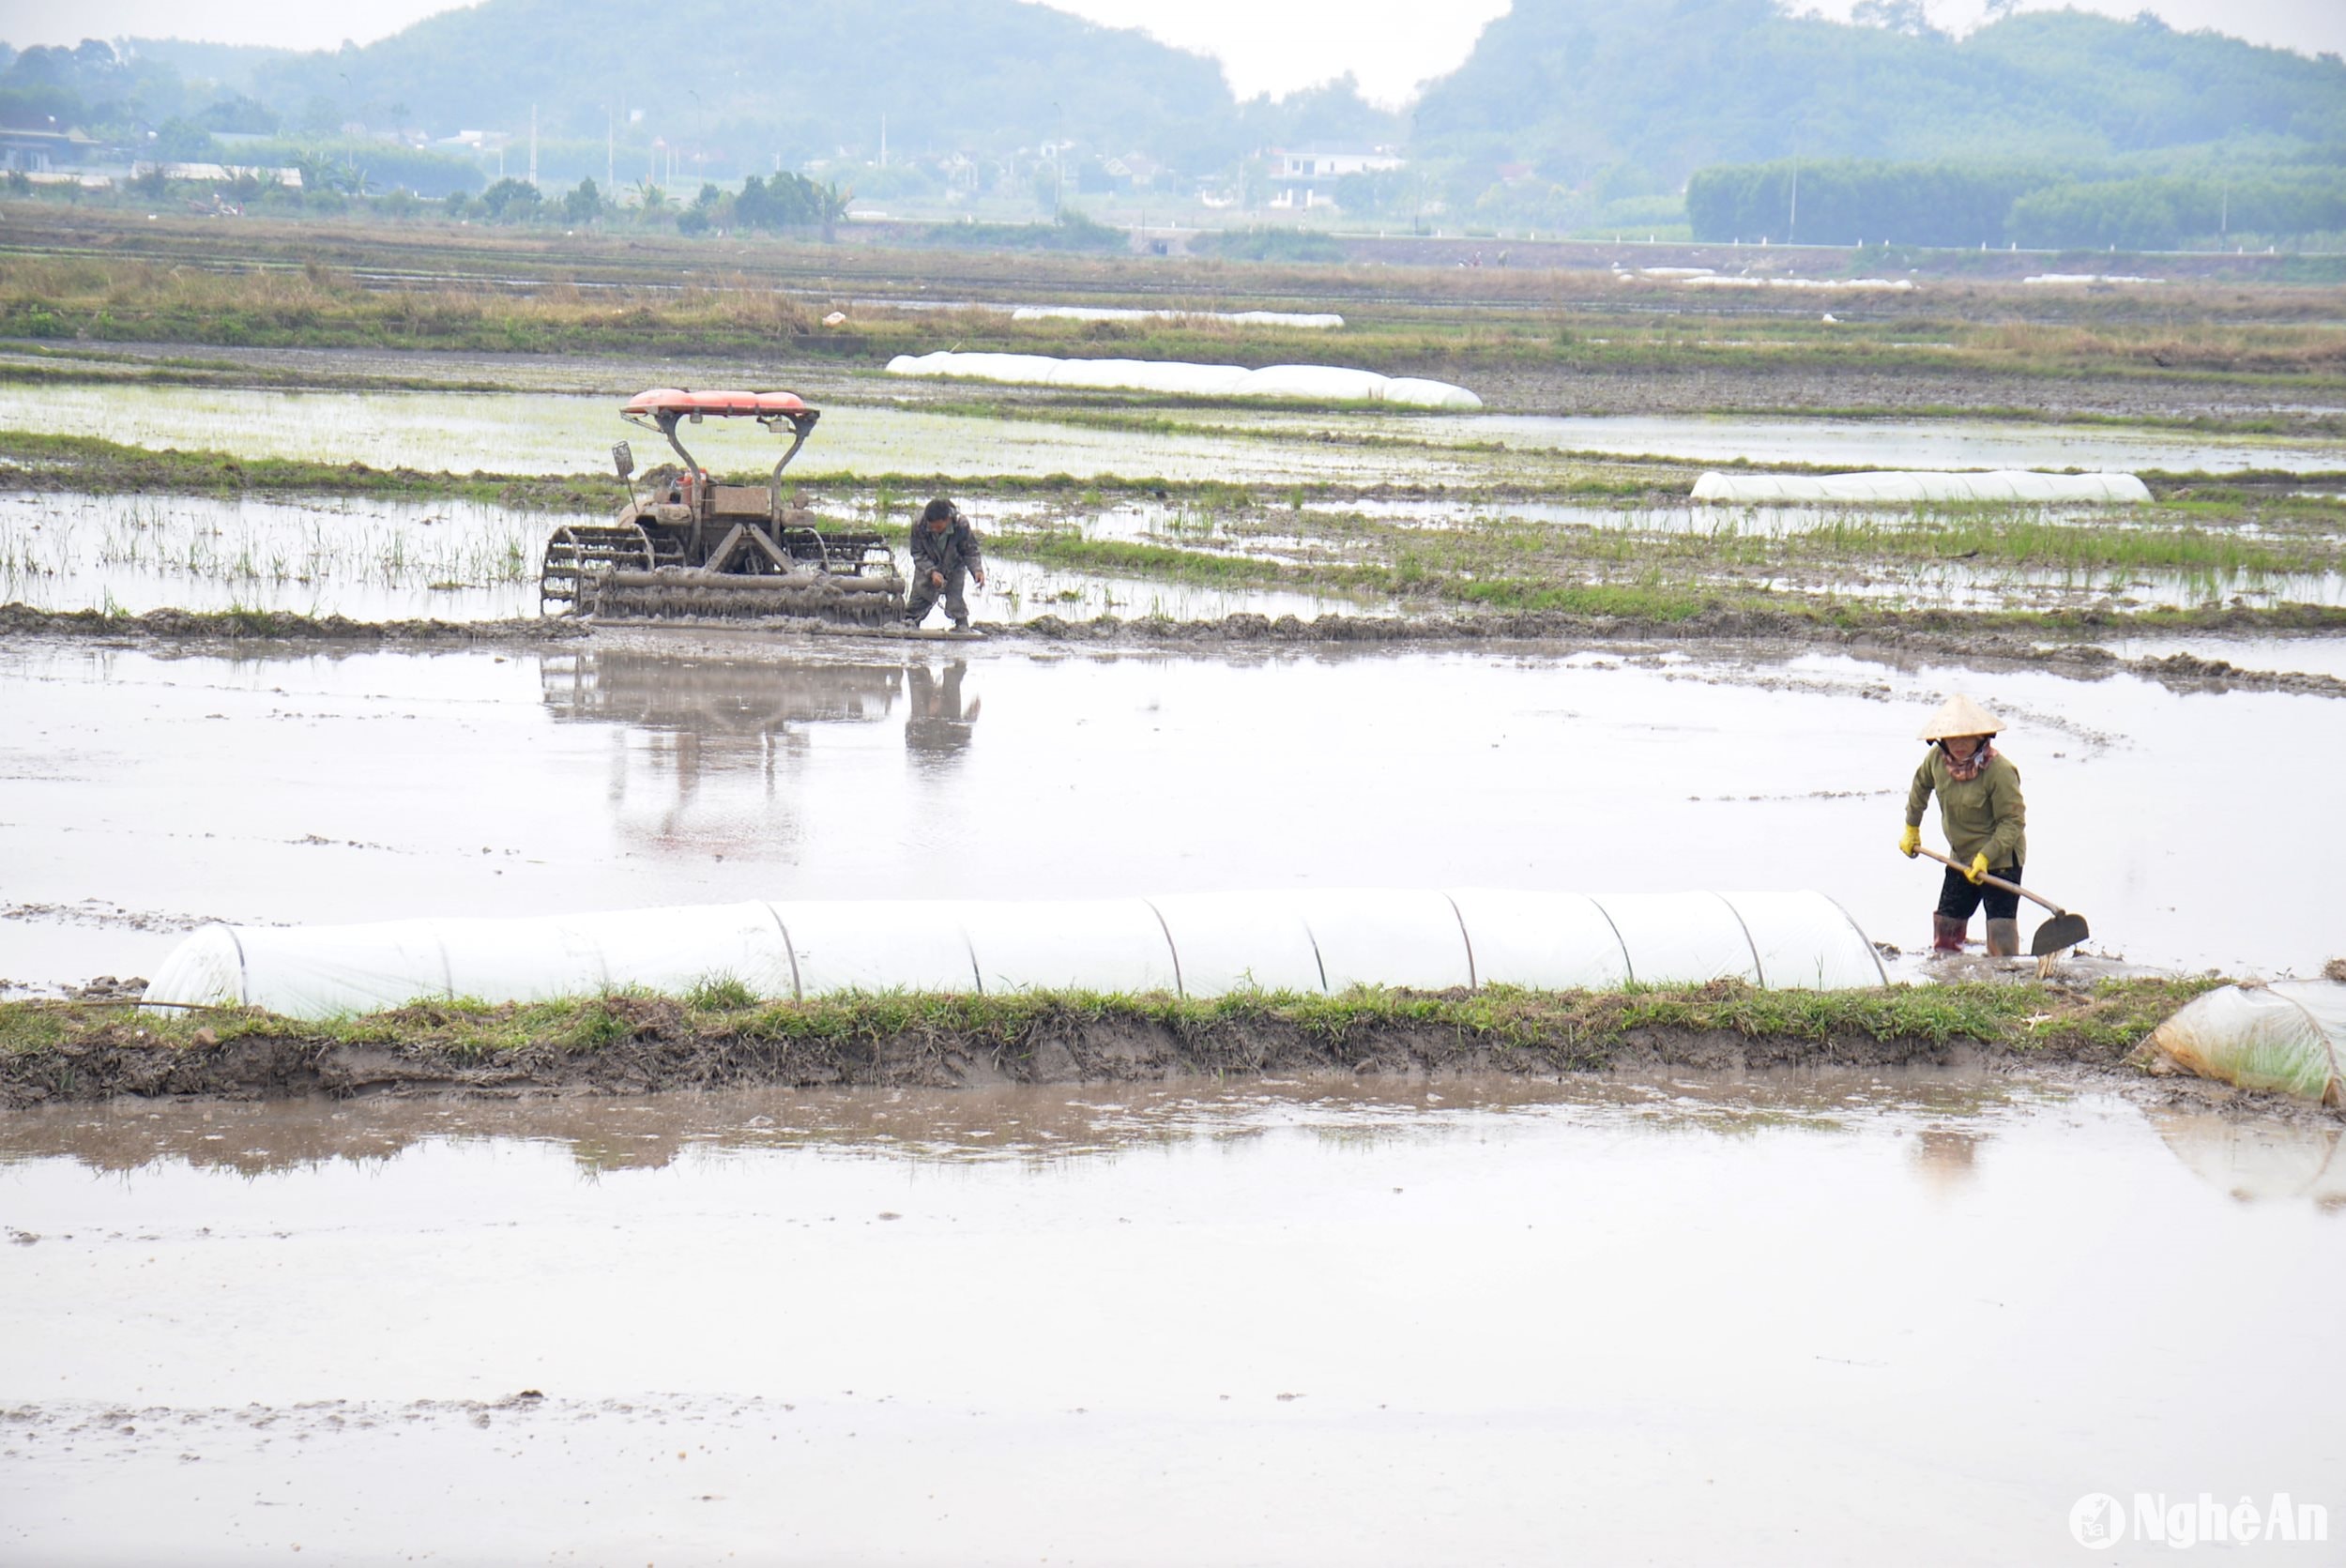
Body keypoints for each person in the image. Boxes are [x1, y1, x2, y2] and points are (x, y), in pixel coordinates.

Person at [1898, 693, 2028, 956]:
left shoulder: (1999, 771)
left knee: (2000, 929)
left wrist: (1986, 857)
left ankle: (2006, 978)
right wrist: (1912, 827)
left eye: (1967, 737)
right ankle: (1947, 973)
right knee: (1948, 923)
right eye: (1952, 737)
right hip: (1961, 857)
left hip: (2001, 860)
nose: (1959, 744)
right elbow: (1920, 787)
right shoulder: (1936, 761)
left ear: (1982, 737)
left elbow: (2012, 822)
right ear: (1941, 740)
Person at [904, 497, 985, 632]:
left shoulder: (961, 525)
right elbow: (917, 553)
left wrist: (977, 570)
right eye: (932, 527)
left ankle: (962, 627)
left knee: (955, 601)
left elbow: (969, 551)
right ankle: (909, 626)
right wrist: (932, 572)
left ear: (948, 519)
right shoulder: (919, 525)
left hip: (953, 566)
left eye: (939, 527)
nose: (935, 530)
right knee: (917, 603)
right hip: (927, 566)